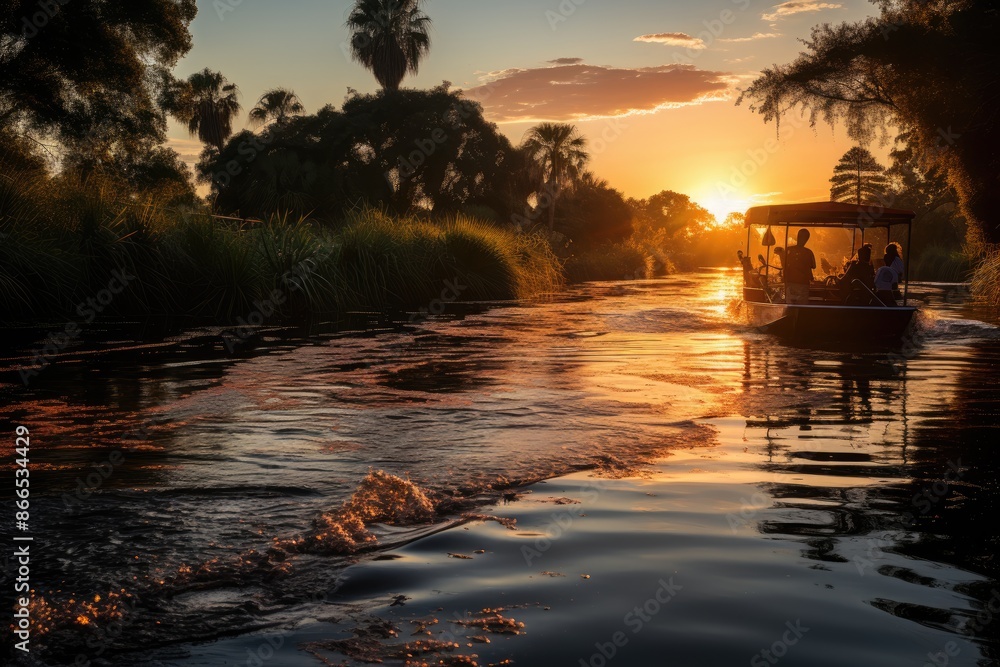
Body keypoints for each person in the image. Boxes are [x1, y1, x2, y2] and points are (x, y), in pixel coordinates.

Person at [784, 229, 816, 305]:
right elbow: (813, 266)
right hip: (803, 284)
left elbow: (784, 265)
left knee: (790, 305)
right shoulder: (808, 252)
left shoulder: (789, 250)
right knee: (801, 306)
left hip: (790, 283)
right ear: (807, 239)